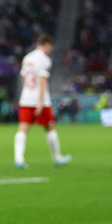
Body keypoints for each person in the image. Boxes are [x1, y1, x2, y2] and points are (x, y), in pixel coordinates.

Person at [14, 34, 72, 169]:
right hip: (41, 100)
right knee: (50, 127)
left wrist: (26, 93)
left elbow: (23, 78)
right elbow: (42, 81)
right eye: (50, 48)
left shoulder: (27, 58)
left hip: (26, 98)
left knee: (23, 128)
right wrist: (40, 102)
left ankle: (19, 159)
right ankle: (57, 158)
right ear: (47, 45)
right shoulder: (44, 59)